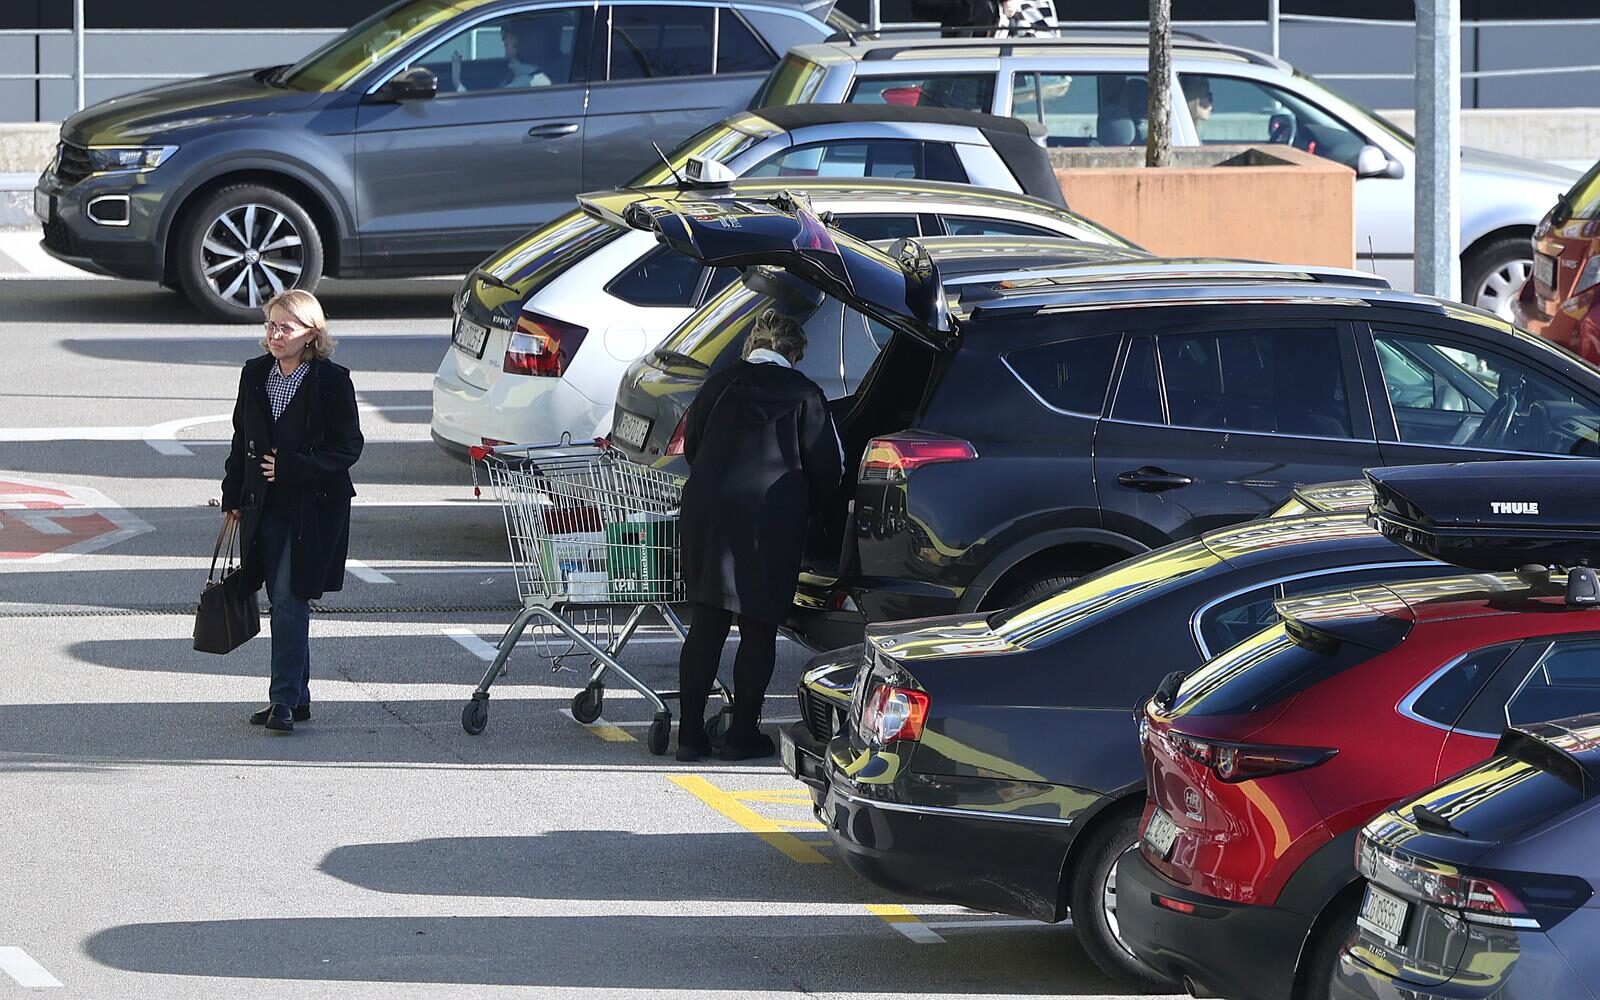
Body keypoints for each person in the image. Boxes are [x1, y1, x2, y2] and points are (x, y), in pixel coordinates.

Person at [674, 310, 844, 762]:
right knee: (757, 628)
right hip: (769, 518)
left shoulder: (720, 383)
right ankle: (742, 733)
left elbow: (692, 448)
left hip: (708, 510)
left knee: (706, 623)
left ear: (753, 345)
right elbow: (826, 468)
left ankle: (689, 734)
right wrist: (824, 514)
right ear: (795, 353)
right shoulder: (806, 396)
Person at [221, 290, 364, 735]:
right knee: (281, 597)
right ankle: (297, 698)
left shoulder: (331, 380)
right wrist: (231, 497)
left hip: (312, 510)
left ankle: (282, 699)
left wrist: (294, 466)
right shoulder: (255, 374)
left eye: (286, 327)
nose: (275, 334)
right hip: (262, 506)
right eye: (270, 325)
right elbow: (240, 438)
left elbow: (348, 447)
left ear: (311, 334)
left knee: (288, 597)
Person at [451, 19, 554, 92]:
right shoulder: (524, 74)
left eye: (507, 34)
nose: (503, 39)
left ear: (520, 44)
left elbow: (479, 110)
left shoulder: (523, 85)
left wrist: (457, 81)